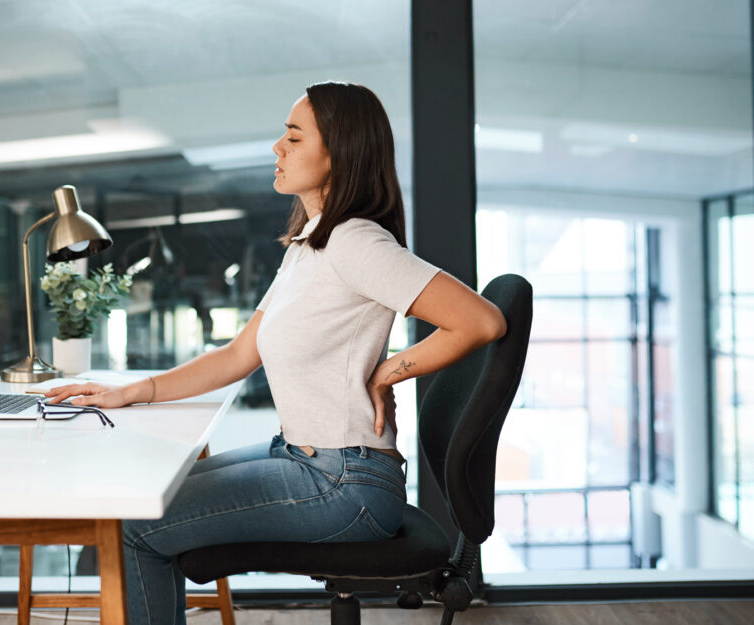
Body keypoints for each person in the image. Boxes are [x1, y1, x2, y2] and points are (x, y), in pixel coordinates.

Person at [44, 81, 507, 625]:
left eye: (293, 136)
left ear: (341, 153)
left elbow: (482, 320)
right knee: (152, 489)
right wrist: (131, 392)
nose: (276, 148)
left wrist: (388, 373)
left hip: (343, 482)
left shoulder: (357, 242)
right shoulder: (311, 243)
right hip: (306, 458)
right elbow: (240, 354)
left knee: (133, 526)